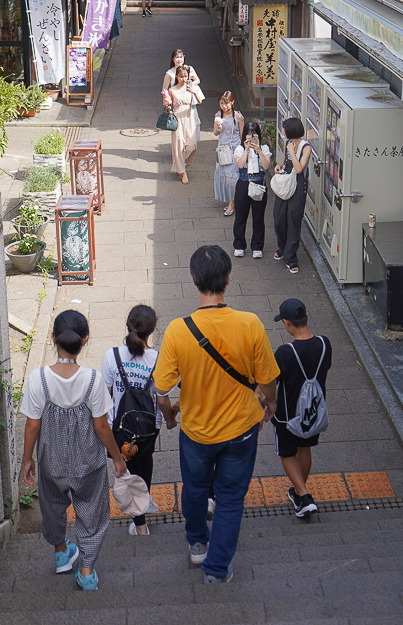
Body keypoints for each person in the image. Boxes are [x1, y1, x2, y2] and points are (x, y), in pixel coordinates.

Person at [154, 245, 280, 583]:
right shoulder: (250, 324)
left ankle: (197, 545)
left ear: (194, 281)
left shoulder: (179, 331)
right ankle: (217, 567)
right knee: (230, 497)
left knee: (194, 490)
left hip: (196, 432)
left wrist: (169, 418)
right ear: (228, 279)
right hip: (242, 429)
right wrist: (271, 405)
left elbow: (162, 390)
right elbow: (267, 379)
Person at [21, 310, 127, 591]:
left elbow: (32, 425)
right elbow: (102, 426)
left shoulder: (38, 378)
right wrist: (117, 458)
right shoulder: (93, 380)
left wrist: (26, 460)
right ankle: (87, 571)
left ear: (52, 338)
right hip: (88, 462)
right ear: (85, 340)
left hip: (51, 459)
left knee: (52, 505)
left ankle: (60, 553)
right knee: (92, 511)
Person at [101, 306, 178, 536]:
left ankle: (140, 522)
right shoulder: (158, 359)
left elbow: (105, 396)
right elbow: (164, 399)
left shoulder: (111, 356)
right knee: (144, 462)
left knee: (128, 466)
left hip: (120, 427)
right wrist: (171, 418)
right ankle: (142, 513)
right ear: (153, 329)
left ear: (128, 326)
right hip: (147, 428)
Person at [271, 298, 332, 518]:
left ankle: (305, 496)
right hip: (312, 414)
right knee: (304, 450)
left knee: (287, 454)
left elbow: (271, 383)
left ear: (287, 323)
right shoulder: (324, 344)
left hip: (288, 417)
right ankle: (298, 493)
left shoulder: (285, 352)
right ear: (306, 316)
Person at [273, 117, 311, 274]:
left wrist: (291, 151)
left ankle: (291, 258)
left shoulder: (305, 147)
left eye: (285, 129)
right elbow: (286, 163)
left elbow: (299, 167)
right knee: (279, 219)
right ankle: (282, 248)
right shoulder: (287, 143)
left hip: (297, 187)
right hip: (284, 184)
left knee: (294, 222)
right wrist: (279, 166)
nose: (283, 132)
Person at [232, 120, 271, 259]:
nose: (250, 137)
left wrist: (259, 150)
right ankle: (239, 245)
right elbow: (240, 165)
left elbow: (266, 166)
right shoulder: (239, 149)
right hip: (244, 183)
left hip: (259, 183)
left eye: (253, 134)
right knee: (240, 217)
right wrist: (247, 150)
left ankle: (257, 246)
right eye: (248, 134)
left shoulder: (264, 149)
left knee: (258, 218)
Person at [168, 65, 201, 184]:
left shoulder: (190, 87)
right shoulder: (172, 90)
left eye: (185, 76)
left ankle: (179, 163)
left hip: (189, 117)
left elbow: (200, 101)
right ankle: (183, 172)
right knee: (179, 145)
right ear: (176, 76)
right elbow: (168, 105)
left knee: (192, 145)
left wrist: (194, 91)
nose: (183, 79)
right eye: (181, 76)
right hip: (177, 118)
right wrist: (167, 103)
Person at [213, 91, 243, 218]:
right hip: (222, 151)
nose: (224, 106)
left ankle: (232, 203)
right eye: (221, 103)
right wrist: (218, 127)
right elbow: (215, 133)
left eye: (226, 103)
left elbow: (242, 134)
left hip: (234, 151)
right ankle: (232, 200)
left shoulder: (238, 117)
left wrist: (243, 151)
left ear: (232, 102)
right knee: (224, 177)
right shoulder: (218, 115)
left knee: (232, 178)